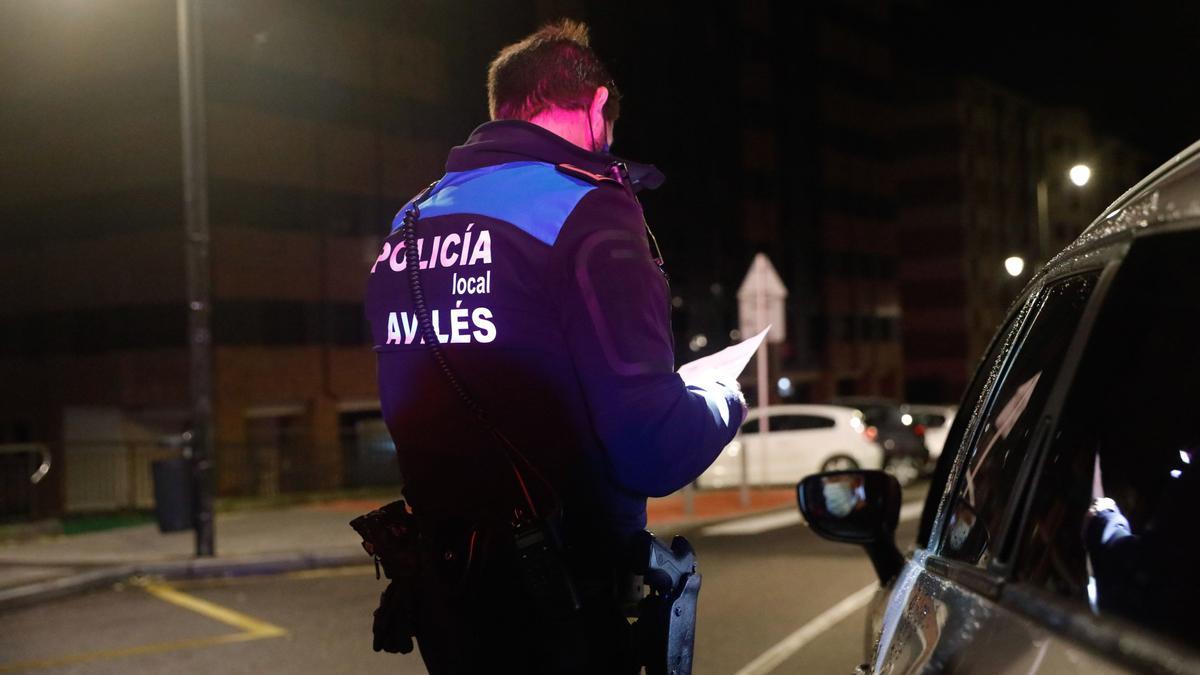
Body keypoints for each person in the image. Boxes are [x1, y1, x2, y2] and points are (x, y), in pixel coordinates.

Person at [363, 19, 746, 674]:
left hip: (448, 597)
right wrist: (721, 396)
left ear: (500, 108)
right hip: (565, 601)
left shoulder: (411, 220)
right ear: (597, 106)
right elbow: (651, 447)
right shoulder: (585, 207)